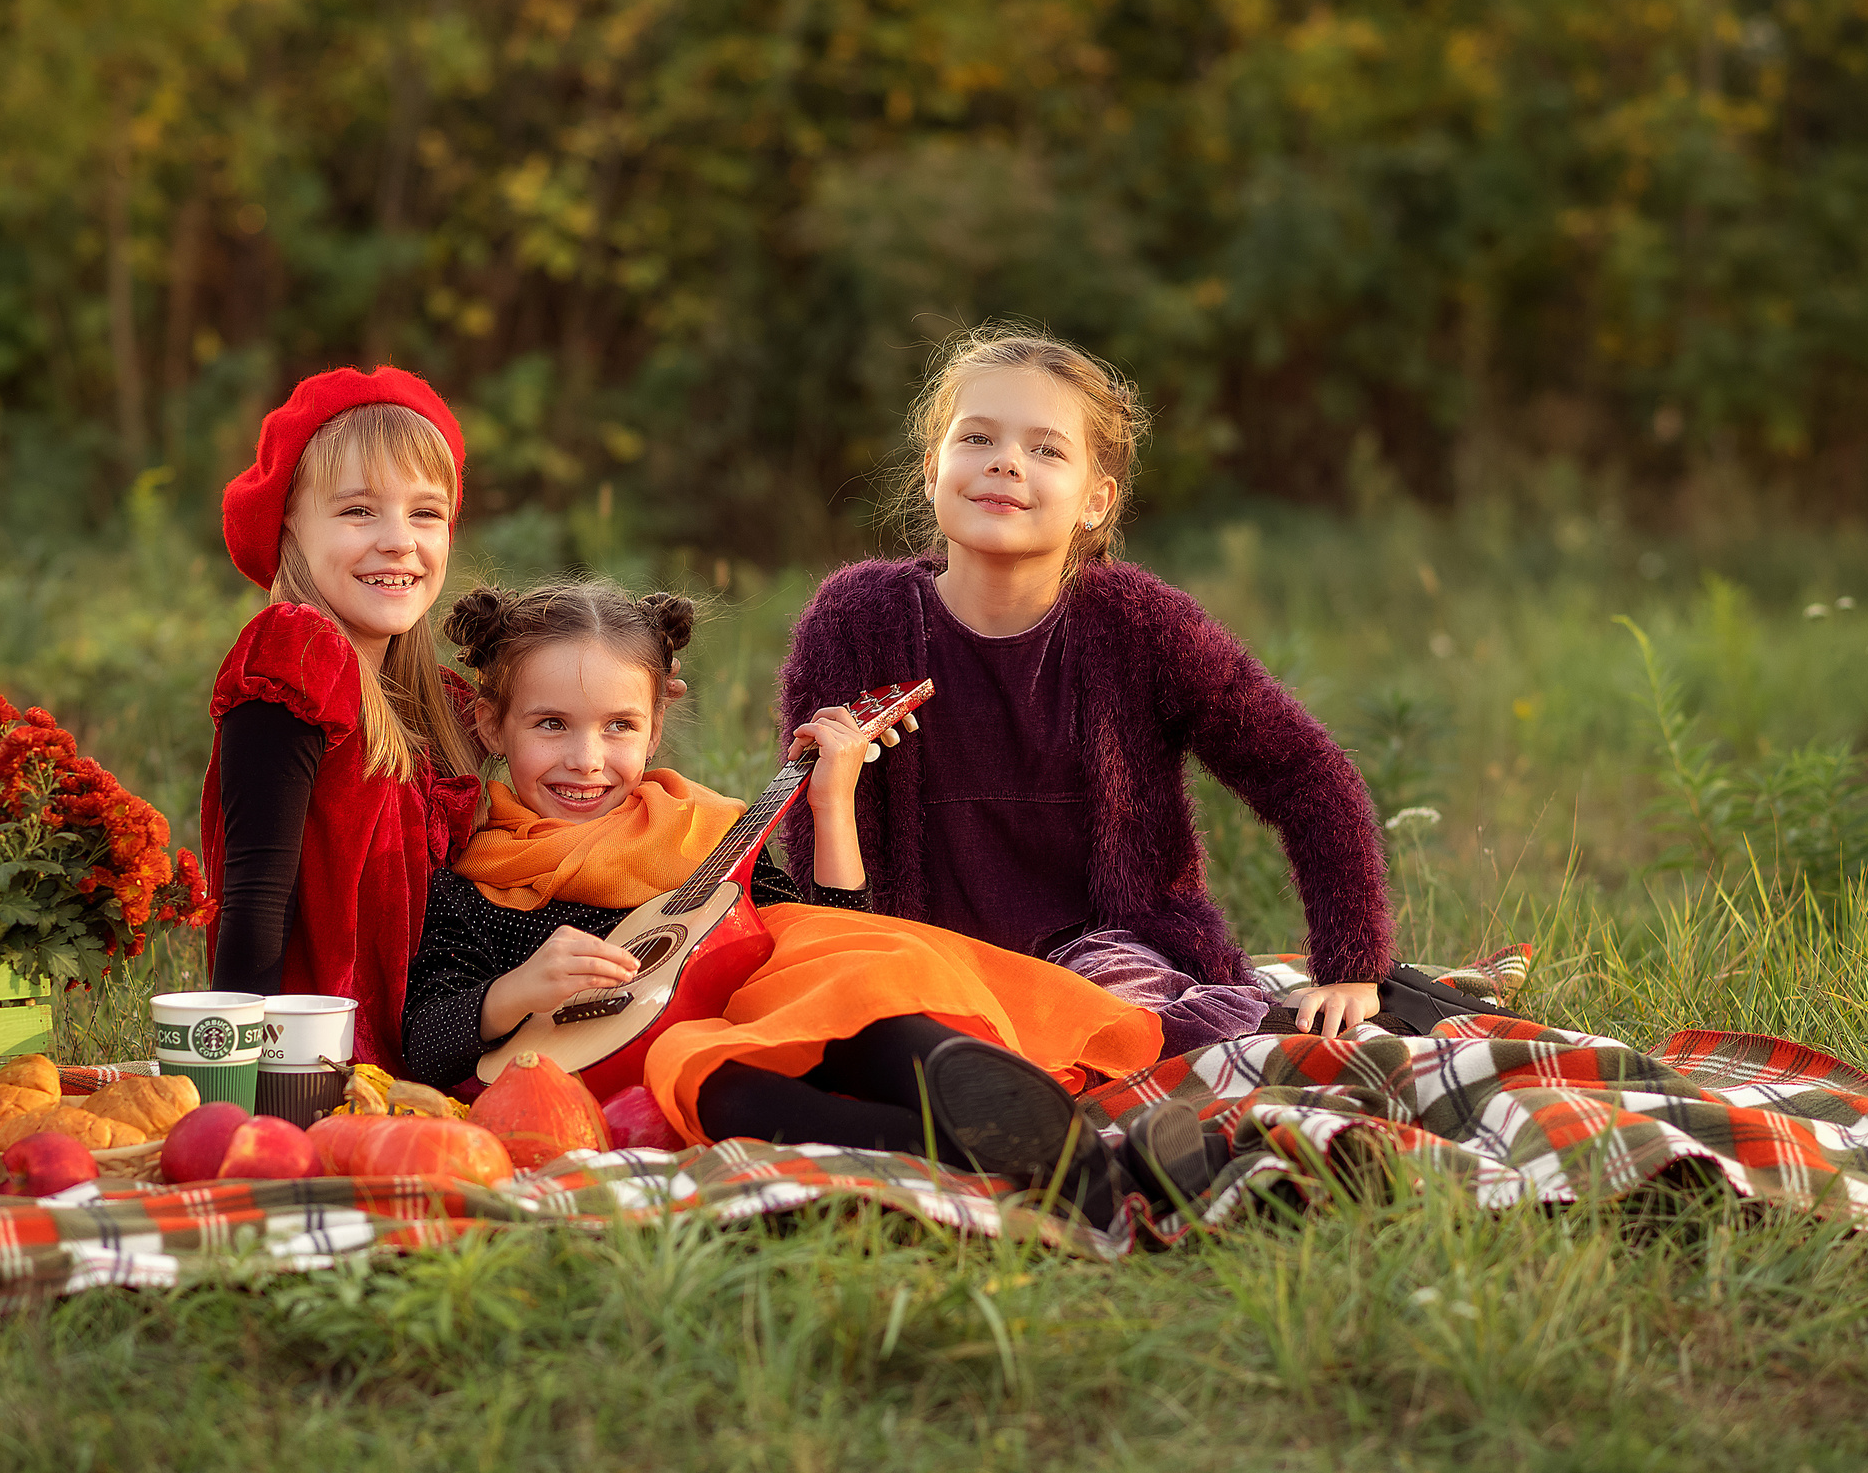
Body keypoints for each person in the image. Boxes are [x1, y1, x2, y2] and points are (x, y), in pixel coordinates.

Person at [402, 579, 1208, 1226]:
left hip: (796, 1027)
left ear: (653, 731)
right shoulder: (475, 881)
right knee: (710, 1075)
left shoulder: (700, 834)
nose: (587, 759)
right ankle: (1087, 1163)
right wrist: (516, 991)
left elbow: (822, 935)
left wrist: (830, 803)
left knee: (853, 995)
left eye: (618, 726)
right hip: (680, 1075)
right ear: (490, 722)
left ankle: (1041, 1136)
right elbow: (423, 1040)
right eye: (552, 724)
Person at [776, 324, 1397, 1052]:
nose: (1005, 463)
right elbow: (830, 909)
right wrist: (829, 797)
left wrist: (1352, 965)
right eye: (976, 439)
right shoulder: (856, 621)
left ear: (1096, 501)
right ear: (930, 471)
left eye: (1045, 449)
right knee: (848, 1018)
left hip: (1105, 961)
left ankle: (1093, 1085)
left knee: (1115, 1011)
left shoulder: (1141, 625)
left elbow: (1302, 771)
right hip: (929, 963)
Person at [198, 366, 485, 1074]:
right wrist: (239, 1097)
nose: (398, 541)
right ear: (289, 520)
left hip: (426, 1060)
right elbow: (254, 905)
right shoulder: (296, 655)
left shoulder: (436, 703)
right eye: (359, 511)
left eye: (425, 514)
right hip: (310, 1072)